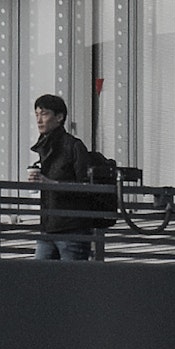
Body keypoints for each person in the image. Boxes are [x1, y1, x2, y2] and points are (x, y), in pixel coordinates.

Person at [27, 93, 115, 260]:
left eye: (44, 114)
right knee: (40, 279)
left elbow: (86, 187)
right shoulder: (46, 148)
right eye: (37, 114)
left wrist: (51, 183)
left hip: (72, 228)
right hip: (49, 227)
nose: (39, 120)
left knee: (68, 280)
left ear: (59, 117)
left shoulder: (74, 146)